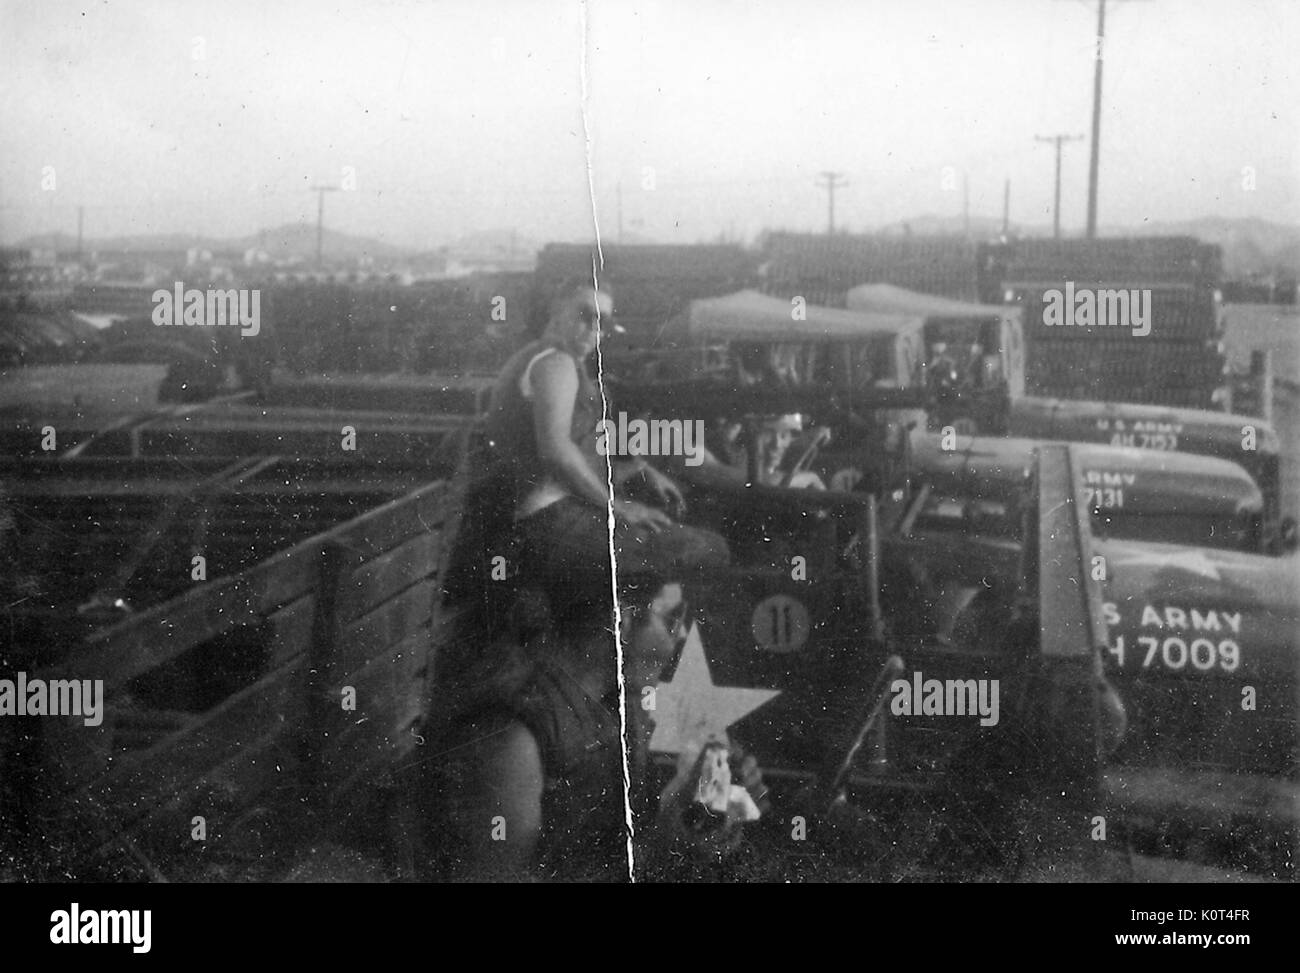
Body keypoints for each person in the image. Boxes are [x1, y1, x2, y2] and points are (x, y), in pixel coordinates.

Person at [425, 577, 767, 882]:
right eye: (670, 619)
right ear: (622, 619)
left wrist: (701, 794)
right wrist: (665, 844)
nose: (679, 635)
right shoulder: (511, 737)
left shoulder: (617, 702)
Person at [448, 286, 729, 618]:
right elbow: (556, 451)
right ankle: (643, 629)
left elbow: (579, 448)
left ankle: (620, 626)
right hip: (547, 522)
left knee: (662, 523)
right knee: (709, 548)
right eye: (585, 314)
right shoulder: (556, 362)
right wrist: (617, 506)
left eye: (603, 321)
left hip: (540, 517)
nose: (594, 327)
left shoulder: (542, 358)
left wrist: (640, 468)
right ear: (557, 309)